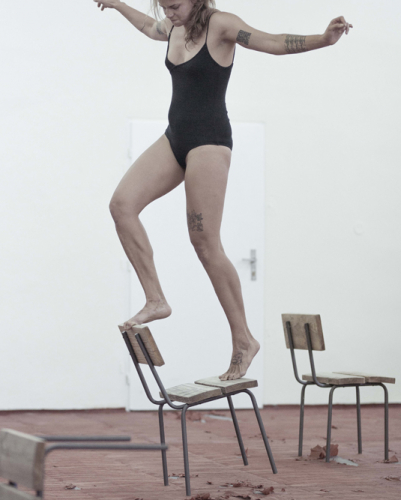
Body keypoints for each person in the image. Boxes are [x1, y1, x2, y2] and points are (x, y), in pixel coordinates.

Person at [95, 0, 352, 380]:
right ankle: (155, 298)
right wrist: (118, 5)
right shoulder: (172, 27)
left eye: (174, 6)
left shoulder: (222, 25)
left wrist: (324, 39)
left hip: (209, 142)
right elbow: (148, 28)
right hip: (175, 137)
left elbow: (273, 42)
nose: (168, 14)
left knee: (204, 242)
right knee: (121, 205)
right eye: (163, 7)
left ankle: (243, 339)